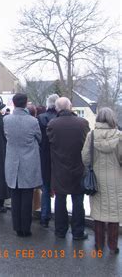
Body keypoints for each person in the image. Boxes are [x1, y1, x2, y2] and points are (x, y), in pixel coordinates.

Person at [47, 97, 90, 240]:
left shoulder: (52, 124)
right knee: (78, 201)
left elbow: (50, 144)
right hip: (78, 167)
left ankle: (60, 230)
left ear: (57, 109)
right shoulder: (83, 123)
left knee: (60, 200)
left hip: (59, 168)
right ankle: (78, 232)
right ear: (70, 107)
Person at [82, 107, 122, 254]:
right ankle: (113, 246)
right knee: (114, 214)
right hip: (116, 179)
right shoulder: (119, 135)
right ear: (112, 118)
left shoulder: (91, 135)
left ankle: (99, 245)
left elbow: (85, 158)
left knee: (98, 214)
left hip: (96, 180)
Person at [3, 93, 42, 237]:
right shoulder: (33, 121)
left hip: (12, 161)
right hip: (28, 161)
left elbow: (6, 136)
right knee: (27, 196)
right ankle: (26, 228)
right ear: (26, 103)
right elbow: (39, 138)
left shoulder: (6, 120)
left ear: (13, 103)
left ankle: (17, 227)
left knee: (15, 195)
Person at [37, 94, 59, 227]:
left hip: (44, 156)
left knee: (45, 188)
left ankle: (45, 217)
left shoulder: (40, 118)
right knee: (60, 189)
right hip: (59, 157)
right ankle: (60, 217)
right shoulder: (60, 118)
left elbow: (39, 138)